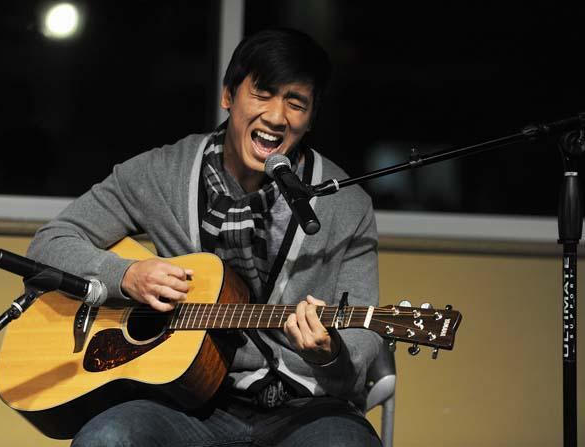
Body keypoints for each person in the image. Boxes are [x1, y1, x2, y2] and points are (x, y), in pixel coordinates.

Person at [27, 28, 383, 447]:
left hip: (304, 410)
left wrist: (330, 353)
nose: (275, 116)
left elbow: (360, 343)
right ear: (229, 96)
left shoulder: (346, 203)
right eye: (263, 93)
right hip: (182, 401)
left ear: (310, 118)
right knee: (107, 437)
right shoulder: (160, 173)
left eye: (296, 103)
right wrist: (125, 275)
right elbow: (48, 245)